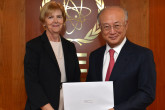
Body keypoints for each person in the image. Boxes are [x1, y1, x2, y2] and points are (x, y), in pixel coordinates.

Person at [86, 6, 156, 110]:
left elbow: (147, 94)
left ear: (126, 25)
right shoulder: (95, 56)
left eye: (117, 25)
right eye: (106, 26)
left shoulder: (143, 55)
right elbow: (90, 89)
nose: (112, 31)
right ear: (100, 28)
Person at [24, 1, 80, 110]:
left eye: (59, 17)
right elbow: (32, 83)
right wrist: (47, 108)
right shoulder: (34, 46)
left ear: (63, 20)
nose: (55, 21)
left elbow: (75, 78)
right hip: (42, 105)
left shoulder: (70, 47)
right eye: (50, 17)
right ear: (44, 22)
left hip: (67, 104)